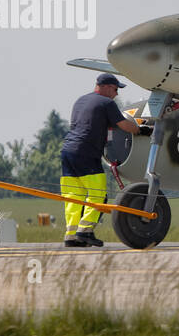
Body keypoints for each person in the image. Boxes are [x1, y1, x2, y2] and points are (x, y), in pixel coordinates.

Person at [60, 73, 143, 247]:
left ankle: (71, 236)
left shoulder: (80, 101)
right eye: (115, 89)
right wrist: (140, 129)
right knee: (98, 194)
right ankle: (85, 231)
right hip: (86, 152)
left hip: (68, 151)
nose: (117, 94)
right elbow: (124, 125)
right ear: (105, 87)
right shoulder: (107, 103)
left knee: (73, 196)